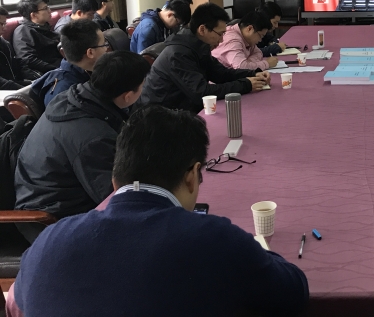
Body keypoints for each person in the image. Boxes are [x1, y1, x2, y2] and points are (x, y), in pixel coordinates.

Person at [9, 105, 309, 317]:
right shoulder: (214, 240)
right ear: (192, 176)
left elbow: (17, 303)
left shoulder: (47, 242)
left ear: (114, 179)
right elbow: (293, 294)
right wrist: (256, 249)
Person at [14, 52, 150, 228]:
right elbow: (118, 197)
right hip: (56, 219)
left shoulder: (74, 97)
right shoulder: (93, 139)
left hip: (59, 195)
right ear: (127, 96)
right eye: (142, 86)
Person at [139, 3, 269, 113]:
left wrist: (253, 74)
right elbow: (201, 93)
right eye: (220, 34)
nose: (222, 40)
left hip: (181, 110)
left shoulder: (198, 46)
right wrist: (246, 85)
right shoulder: (179, 54)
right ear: (202, 29)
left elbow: (221, 74)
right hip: (159, 117)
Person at [30, 20, 110, 107]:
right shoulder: (62, 92)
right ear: (90, 52)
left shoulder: (91, 73)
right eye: (104, 44)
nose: (106, 49)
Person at [12, 0, 61, 78]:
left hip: (60, 66)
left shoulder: (45, 27)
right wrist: (57, 69)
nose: (50, 11)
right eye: (45, 8)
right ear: (34, 15)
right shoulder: (23, 31)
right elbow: (28, 59)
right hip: (47, 73)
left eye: (48, 7)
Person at [212, 11, 277, 70]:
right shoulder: (233, 40)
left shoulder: (247, 39)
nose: (260, 40)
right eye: (260, 36)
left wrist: (248, 62)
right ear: (249, 28)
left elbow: (258, 53)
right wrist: (266, 64)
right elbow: (241, 68)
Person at [0, 7, 26, 91]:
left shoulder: (5, 43)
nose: (5, 28)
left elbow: (17, 67)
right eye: (1, 24)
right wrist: (22, 90)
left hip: (12, 86)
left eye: (5, 24)